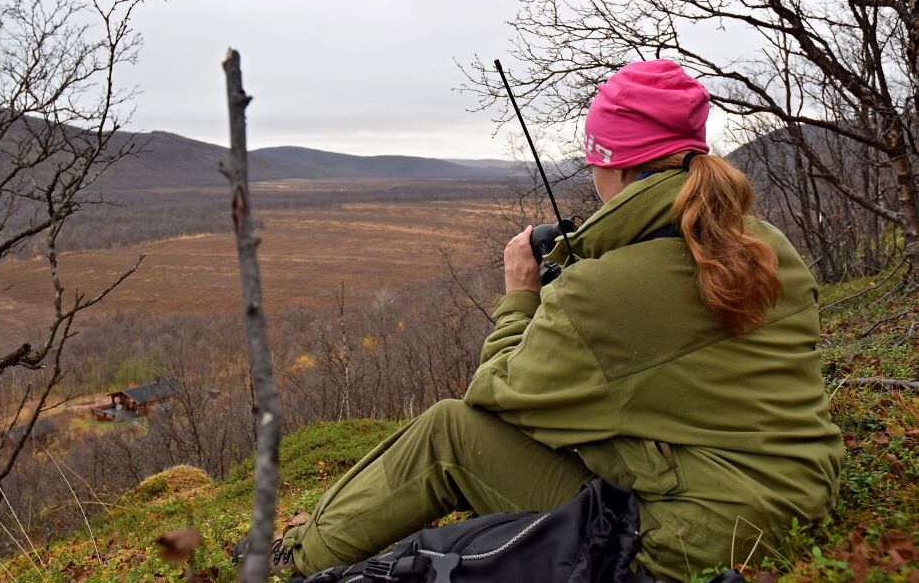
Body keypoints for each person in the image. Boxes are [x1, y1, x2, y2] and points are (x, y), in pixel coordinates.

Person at [273, 60, 843, 581]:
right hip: (799, 498)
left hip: (692, 537)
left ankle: (294, 561)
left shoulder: (599, 292)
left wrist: (522, 296)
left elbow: (496, 398)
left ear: (611, 165)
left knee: (447, 433)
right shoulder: (766, 244)